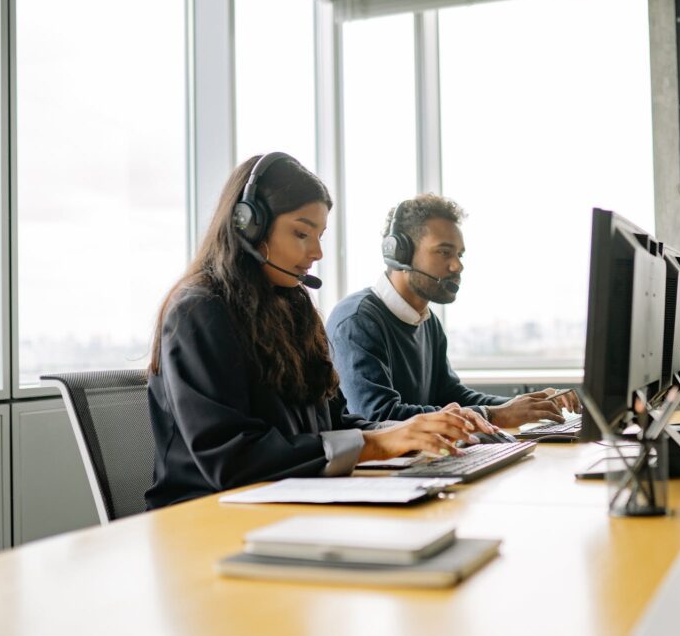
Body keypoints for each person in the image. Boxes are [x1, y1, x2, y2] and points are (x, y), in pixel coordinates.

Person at [145, 155, 492, 509]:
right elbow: (232, 459)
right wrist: (376, 444)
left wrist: (409, 431)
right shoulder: (200, 310)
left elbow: (335, 421)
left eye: (320, 235)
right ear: (247, 224)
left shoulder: (292, 307)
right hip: (207, 514)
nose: (317, 251)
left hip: (289, 499)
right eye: (301, 232)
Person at [327, 194, 580, 427]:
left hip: (419, 464)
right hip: (377, 475)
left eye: (459, 254)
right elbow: (379, 417)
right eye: (444, 252)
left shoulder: (428, 322)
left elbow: (452, 395)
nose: (457, 265)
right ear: (399, 252)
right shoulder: (357, 321)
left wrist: (525, 406)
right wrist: (496, 415)